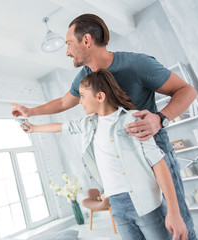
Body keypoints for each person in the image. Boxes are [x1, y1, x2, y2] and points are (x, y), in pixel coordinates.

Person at [11, 14, 197, 239]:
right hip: (124, 172)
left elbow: (187, 91)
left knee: (180, 224)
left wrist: (160, 118)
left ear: (86, 40)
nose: (67, 51)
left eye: (69, 43)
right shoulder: (85, 78)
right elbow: (62, 103)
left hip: (153, 154)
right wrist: (30, 112)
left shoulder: (137, 64)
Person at [20, 69, 188, 239]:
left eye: (83, 96)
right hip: (117, 206)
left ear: (100, 97)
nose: (80, 101)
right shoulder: (88, 124)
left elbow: (158, 163)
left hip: (146, 204)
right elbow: (61, 127)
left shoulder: (131, 120)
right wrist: (34, 129)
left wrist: (174, 212)